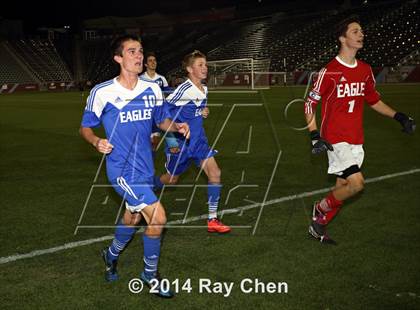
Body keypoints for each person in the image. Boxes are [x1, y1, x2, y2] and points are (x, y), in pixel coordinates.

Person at [79, 35, 189, 297]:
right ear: (118, 58)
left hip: (144, 168)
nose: (139, 56)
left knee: (133, 216)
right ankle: (150, 276)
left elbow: (160, 120)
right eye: (132, 51)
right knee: (158, 216)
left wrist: (177, 126)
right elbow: (85, 127)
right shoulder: (102, 92)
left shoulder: (151, 89)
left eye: (140, 51)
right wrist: (96, 141)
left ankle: (110, 254)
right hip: (121, 170)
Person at [304, 16, 416, 245]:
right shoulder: (330, 71)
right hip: (335, 138)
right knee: (356, 184)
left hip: (356, 138)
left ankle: (318, 227)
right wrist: (315, 136)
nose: (361, 34)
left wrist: (399, 116)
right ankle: (320, 208)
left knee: (342, 187)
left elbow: (373, 101)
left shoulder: (365, 70)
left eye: (362, 31)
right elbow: (309, 103)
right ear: (342, 38)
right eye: (355, 31)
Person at [153, 50, 230, 234]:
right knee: (172, 179)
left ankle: (212, 219)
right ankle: (150, 186)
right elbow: (163, 111)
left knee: (215, 173)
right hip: (178, 142)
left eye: (205, 64)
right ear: (189, 69)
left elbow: (197, 109)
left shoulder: (204, 88)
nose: (205, 68)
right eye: (200, 65)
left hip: (198, 141)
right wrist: (176, 126)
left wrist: (203, 111)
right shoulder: (183, 89)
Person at [140, 52, 179, 156]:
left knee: (170, 142)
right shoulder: (140, 79)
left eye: (154, 60)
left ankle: (172, 148)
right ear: (145, 65)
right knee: (153, 142)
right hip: (148, 113)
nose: (153, 63)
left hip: (161, 111)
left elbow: (167, 94)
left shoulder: (161, 78)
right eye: (150, 61)